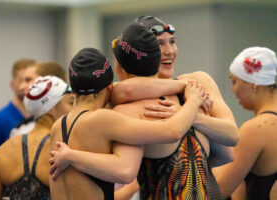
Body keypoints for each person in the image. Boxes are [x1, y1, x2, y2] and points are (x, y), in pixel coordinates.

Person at [49, 23, 238, 199]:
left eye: (172, 41)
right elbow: (227, 154)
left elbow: (126, 169)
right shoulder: (194, 91)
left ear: (120, 67)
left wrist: (70, 156)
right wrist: (191, 107)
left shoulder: (122, 112)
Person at [0, 75, 73, 200]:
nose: (74, 109)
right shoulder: (63, 151)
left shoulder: (3, 151)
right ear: (50, 109)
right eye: (71, 103)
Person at [213, 47, 277, 200]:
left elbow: (217, 192)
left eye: (234, 81)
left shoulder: (257, 129)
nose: (233, 89)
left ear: (253, 83)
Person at [0, 59, 35, 157]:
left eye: (31, 80)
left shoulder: (43, 120)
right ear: (12, 85)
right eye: (22, 80)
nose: (28, 86)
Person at [9, 61, 66, 138]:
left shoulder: (78, 124)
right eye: (21, 81)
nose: (21, 87)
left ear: (50, 81)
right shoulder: (21, 131)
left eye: (28, 80)